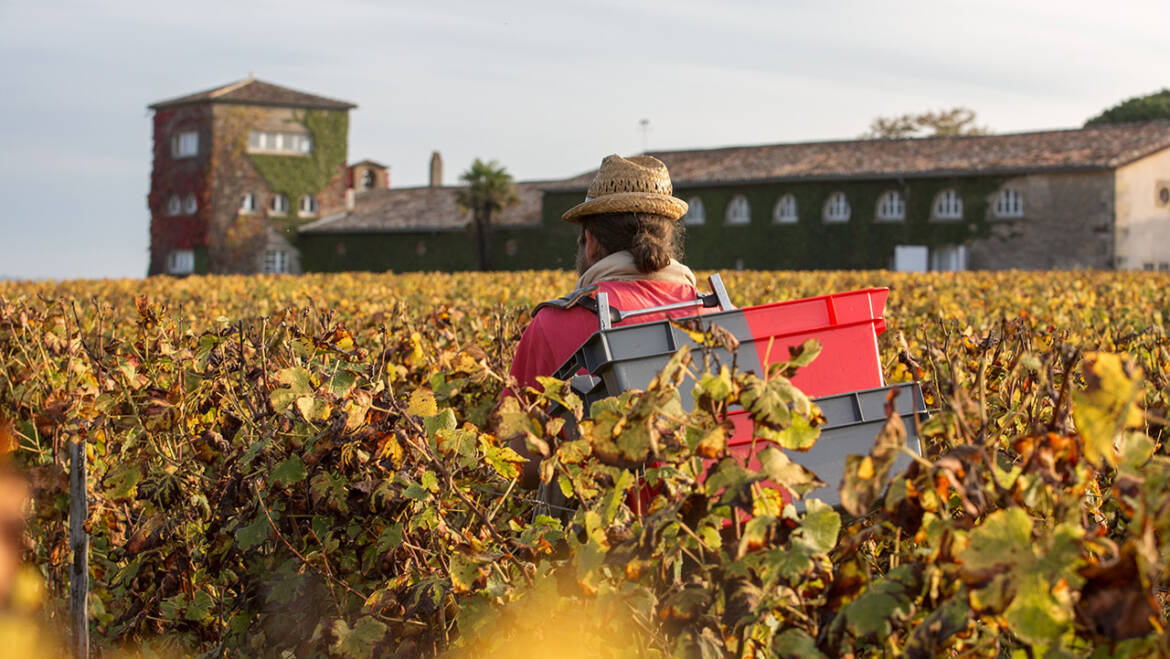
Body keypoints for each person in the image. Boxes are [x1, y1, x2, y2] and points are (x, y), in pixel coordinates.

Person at [505, 154, 703, 486]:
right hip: (700, 524)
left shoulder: (554, 322)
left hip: (592, 527)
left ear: (593, 243)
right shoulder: (715, 314)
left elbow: (517, 460)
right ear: (667, 240)